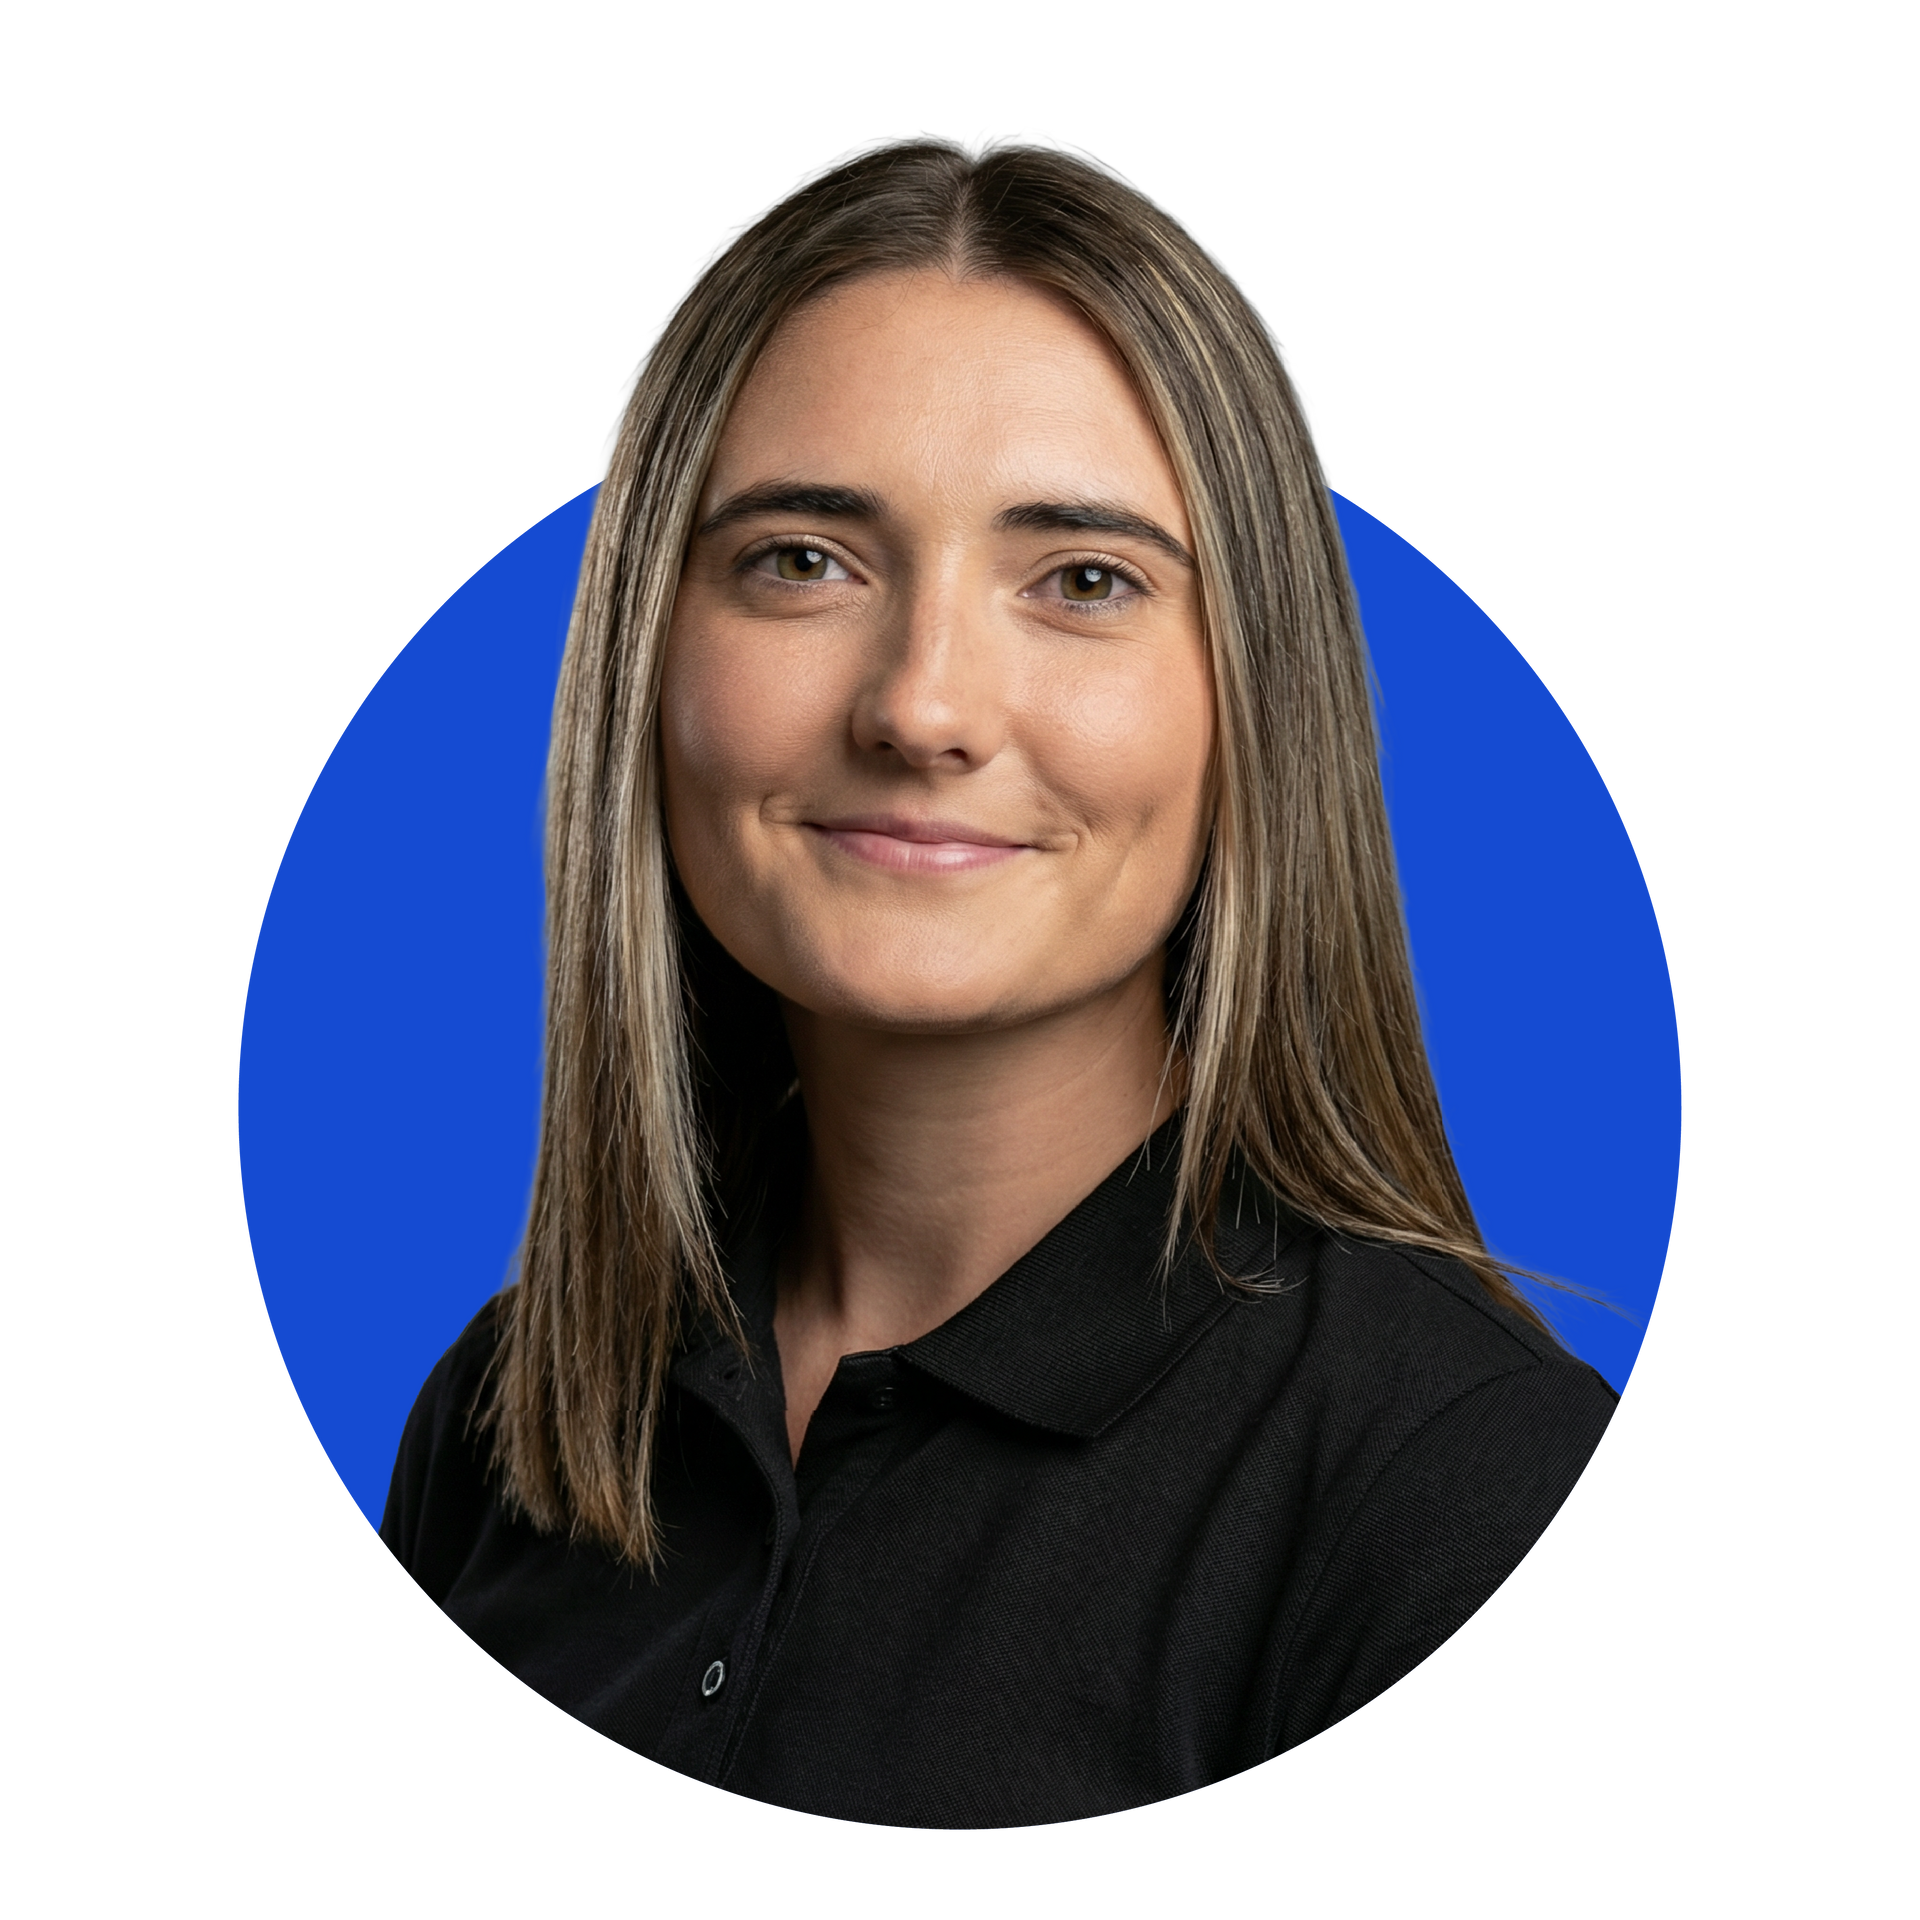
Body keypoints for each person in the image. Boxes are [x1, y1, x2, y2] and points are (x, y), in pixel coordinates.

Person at [380, 126, 1623, 1829]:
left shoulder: (1462, 1494)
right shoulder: (505, 1419)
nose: (923, 706)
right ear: (644, 660)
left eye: (1085, 580)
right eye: (801, 559)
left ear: (1255, 704)